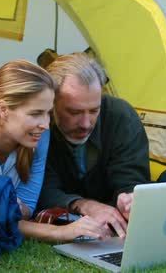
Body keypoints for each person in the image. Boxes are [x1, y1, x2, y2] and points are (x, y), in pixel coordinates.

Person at [0, 60, 108, 242]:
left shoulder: (38, 139)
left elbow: (27, 208)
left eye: (48, 113)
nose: (46, 125)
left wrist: (4, 207)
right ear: (4, 109)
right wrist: (59, 232)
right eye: (35, 113)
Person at [38, 53, 150, 239]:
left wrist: (128, 198)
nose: (86, 123)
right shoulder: (39, 125)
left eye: (94, 111)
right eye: (74, 112)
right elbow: (41, 190)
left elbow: (131, 179)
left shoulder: (121, 117)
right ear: (52, 103)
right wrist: (83, 204)